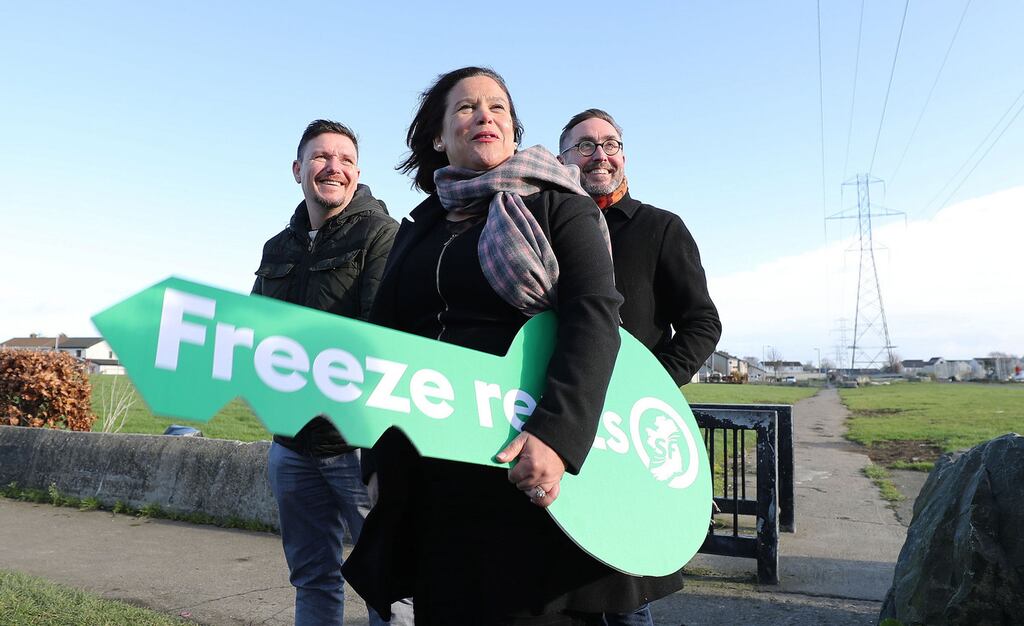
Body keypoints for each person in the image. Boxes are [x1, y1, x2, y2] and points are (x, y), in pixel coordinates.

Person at [343, 67, 624, 625]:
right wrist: (375, 460)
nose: (486, 116)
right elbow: (383, 347)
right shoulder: (420, 227)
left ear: (514, 130)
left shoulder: (561, 207)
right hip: (434, 477)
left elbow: (594, 319)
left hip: (528, 464)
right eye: (466, 108)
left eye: (497, 107)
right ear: (439, 137)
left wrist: (557, 436)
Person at [557, 109, 723, 625]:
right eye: (584, 147)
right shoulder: (542, 228)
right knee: (564, 586)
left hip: (631, 434)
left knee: (627, 595)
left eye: (610, 144)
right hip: (560, 425)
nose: (599, 155)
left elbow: (701, 323)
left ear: (623, 155)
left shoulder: (660, 229)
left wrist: (649, 386)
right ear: (563, 160)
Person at [252, 119, 406, 626]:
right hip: (291, 447)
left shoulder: (383, 235)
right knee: (311, 578)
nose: (332, 167)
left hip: (356, 446)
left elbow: (377, 335)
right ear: (298, 169)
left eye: (344, 159)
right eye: (320, 157)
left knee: (391, 586)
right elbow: (255, 333)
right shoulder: (277, 247)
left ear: (358, 172)